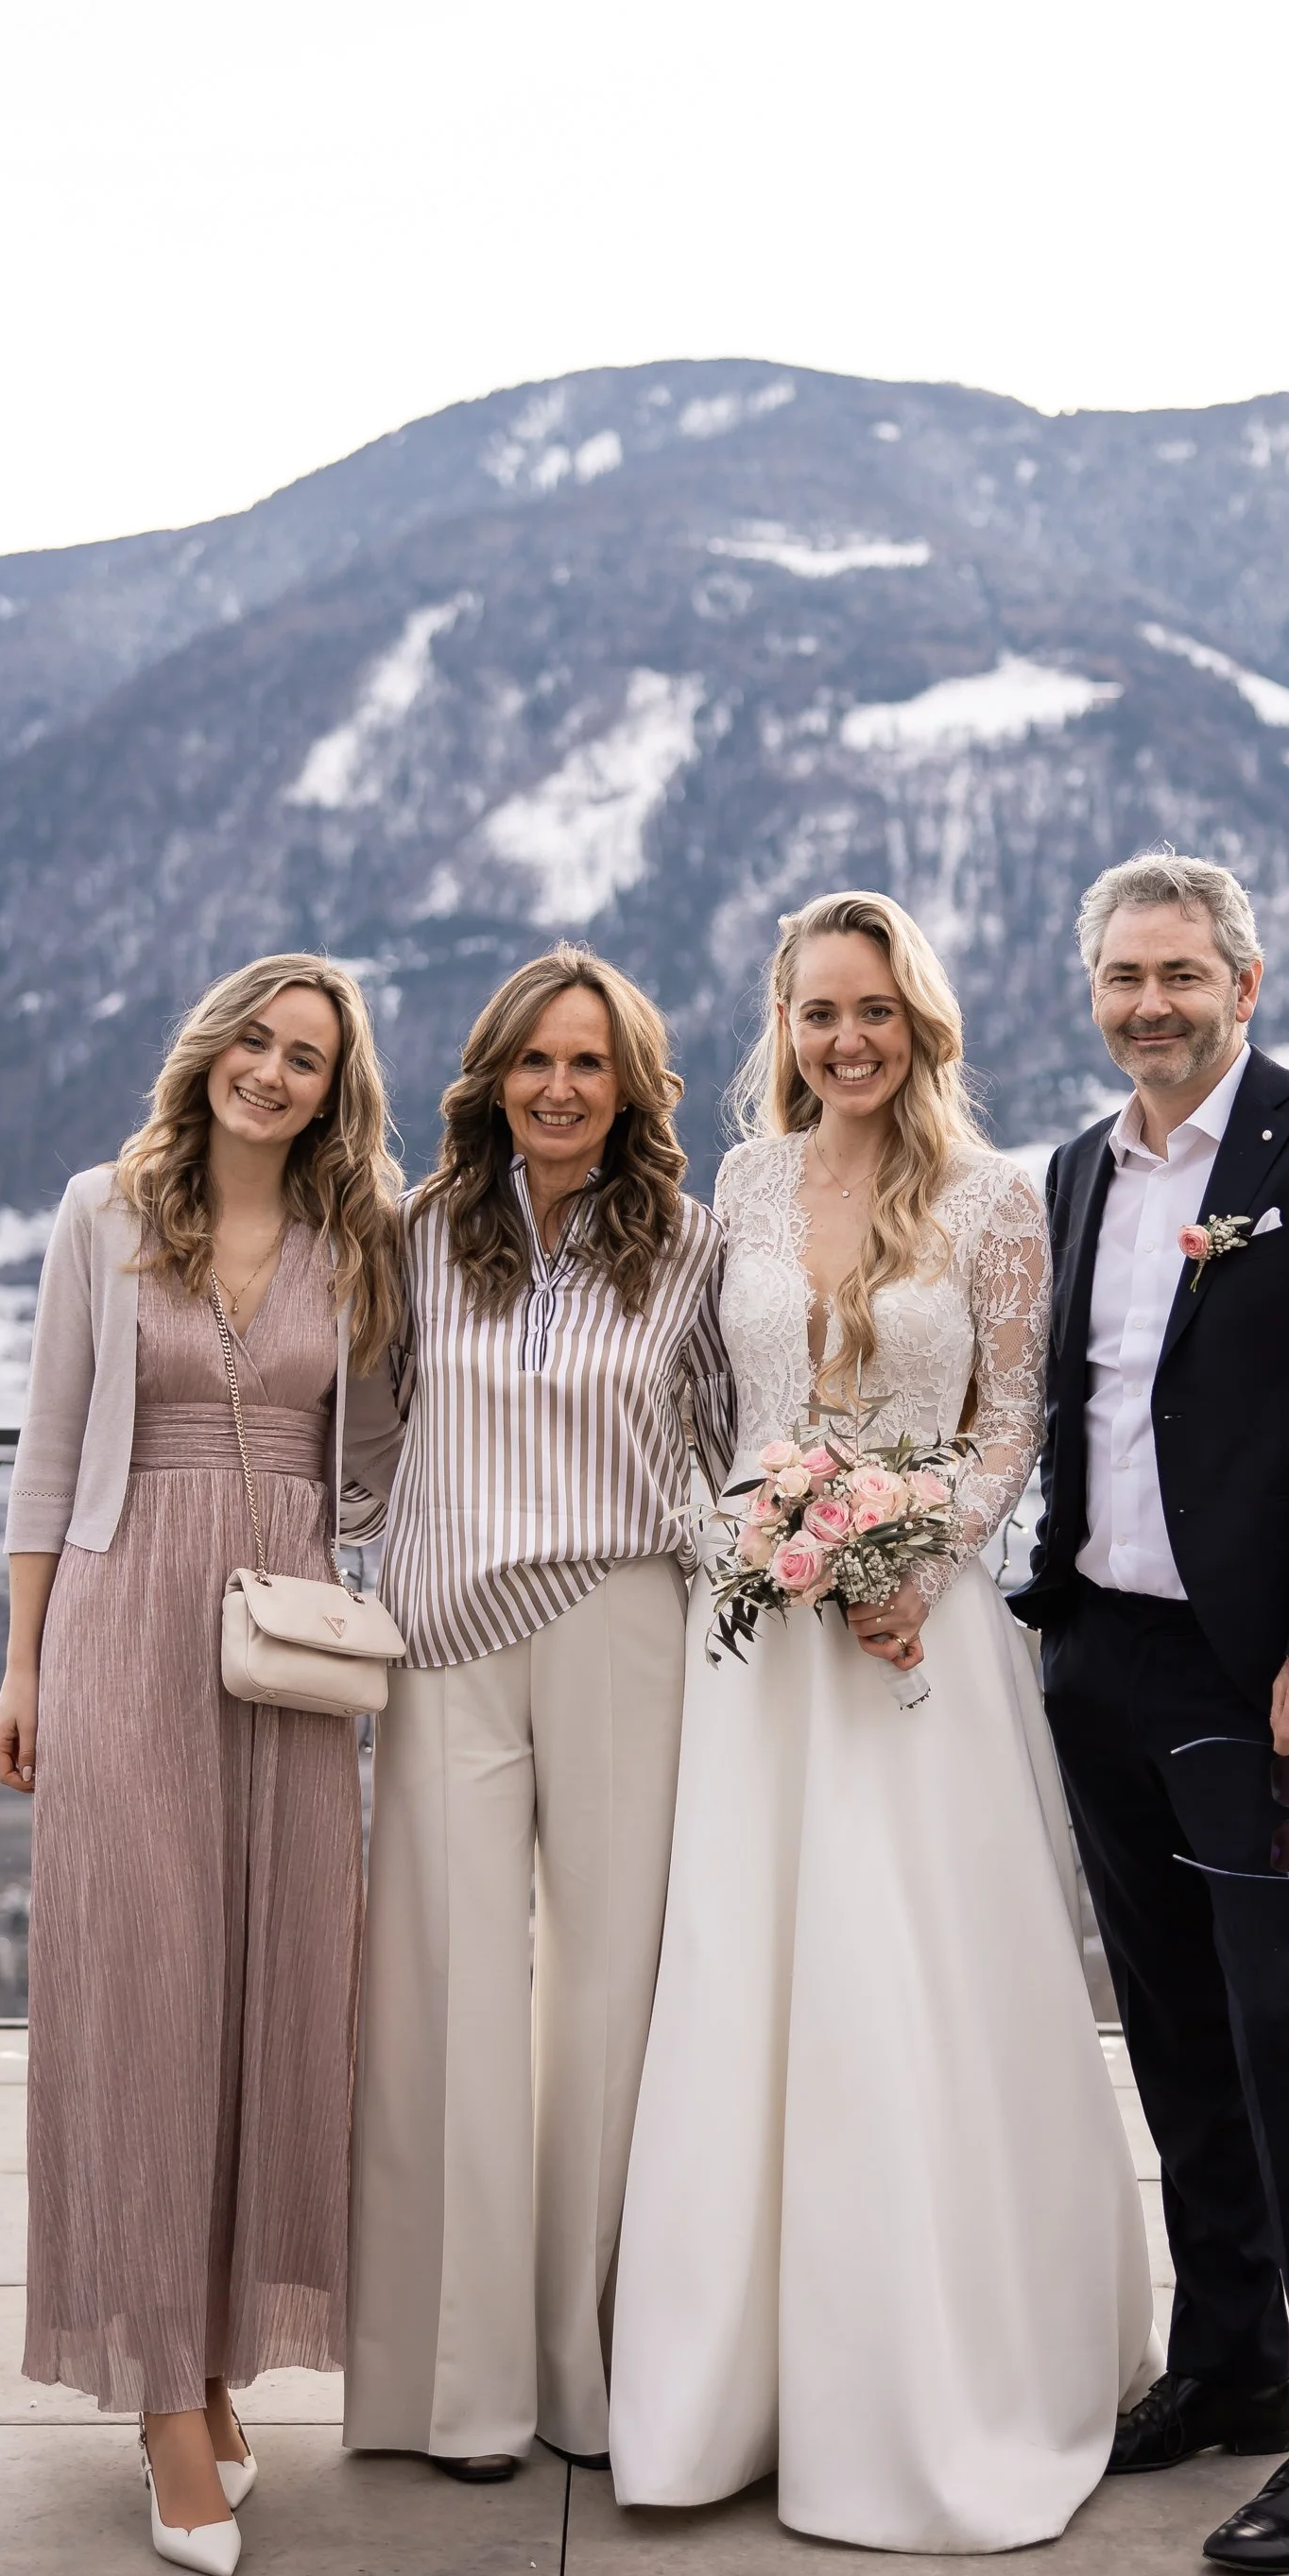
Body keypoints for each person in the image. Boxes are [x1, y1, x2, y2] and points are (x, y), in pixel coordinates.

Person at [609, 891, 1154, 2554]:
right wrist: (744, 1537)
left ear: (921, 1022)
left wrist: (917, 1558)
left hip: (920, 1635)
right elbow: (707, 1401)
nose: (847, 1040)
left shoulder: (994, 1197)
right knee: (749, 1978)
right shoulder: (744, 1184)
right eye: (819, 1012)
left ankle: (929, 2380)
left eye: (874, 1011)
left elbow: (1011, 1421)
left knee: (911, 1972)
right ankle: (731, 2389)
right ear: (784, 1028)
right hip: (757, 1641)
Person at [1014, 851, 1289, 2575]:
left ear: (1244, 986)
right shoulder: (1077, 1170)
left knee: (1288, 2038)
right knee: (1176, 2029)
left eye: (1182, 974)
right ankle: (1228, 2365)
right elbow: (1085, 1405)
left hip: (1267, 1676)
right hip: (1103, 1656)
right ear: (1095, 994)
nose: (1153, 1004)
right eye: (1125, 977)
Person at [0, 953, 404, 2576]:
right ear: (211, 1048)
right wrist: (24, 1664)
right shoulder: (102, 1211)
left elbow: (381, 1455)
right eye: (257, 1040)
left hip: (288, 1645)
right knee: (142, 2005)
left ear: (332, 1091)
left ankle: (218, 2358)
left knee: (270, 2003)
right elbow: (45, 1450)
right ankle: (166, 2398)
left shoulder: (356, 1235)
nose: (273, 1071)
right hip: (120, 1628)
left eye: (308, 1057)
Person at [344, 945, 735, 2482]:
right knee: (441, 1998)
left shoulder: (693, 1247)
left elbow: (736, 1448)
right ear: (492, 1078)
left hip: (626, 1620)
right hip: (441, 1632)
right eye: (534, 1060)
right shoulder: (416, 1230)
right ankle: (458, 2388)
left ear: (630, 1086)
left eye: (588, 1062)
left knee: (609, 2001)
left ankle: (594, 2373)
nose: (559, 1088)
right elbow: (359, 1441)